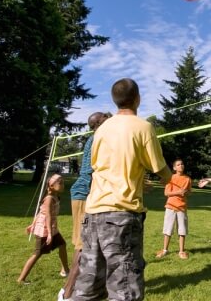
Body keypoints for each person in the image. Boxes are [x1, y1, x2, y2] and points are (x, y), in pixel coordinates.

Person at [72, 78, 172, 301]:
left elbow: (99, 166)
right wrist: (172, 180)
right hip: (121, 216)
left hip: (92, 214)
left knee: (88, 287)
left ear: (115, 100)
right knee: (124, 290)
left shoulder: (102, 129)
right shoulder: (143, 126)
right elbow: (158, 167)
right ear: (137, 98)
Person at [58, 112, 110, 301]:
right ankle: (66, 292)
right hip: (84, 194)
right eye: (104, 116)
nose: (108, 117)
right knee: (82, 246)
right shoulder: (97, 138)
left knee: (91, 244)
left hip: (89, 193)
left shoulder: (98, 137)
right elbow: (95, 169)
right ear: (97, 123)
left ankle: (96, 286)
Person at [18, 174, 70, 284]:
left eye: (63, 182)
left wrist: (32, 224)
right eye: (60, 183)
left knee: (62, 245)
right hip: (45, 230)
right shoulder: (49, 199)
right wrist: (50, 234)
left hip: (51, 228)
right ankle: (21, 279)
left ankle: (65, 270)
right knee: (37, 253)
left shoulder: (56, 196)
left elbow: (41, 212)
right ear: (51, 186)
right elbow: (47, 216)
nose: (62, 185)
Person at [155, 159, 192, 260]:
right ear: (174, 168)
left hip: (182, 207)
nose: (181, 166)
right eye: (178, 165)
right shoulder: (170, 178)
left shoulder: (187, 179)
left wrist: (186, 193)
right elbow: (166, 193)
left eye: (182, 164)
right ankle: (165, 250)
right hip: (171, 206)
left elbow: (189, 193)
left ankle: (181, 251)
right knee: (168, 229)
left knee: (182, 230)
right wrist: (178, 192)